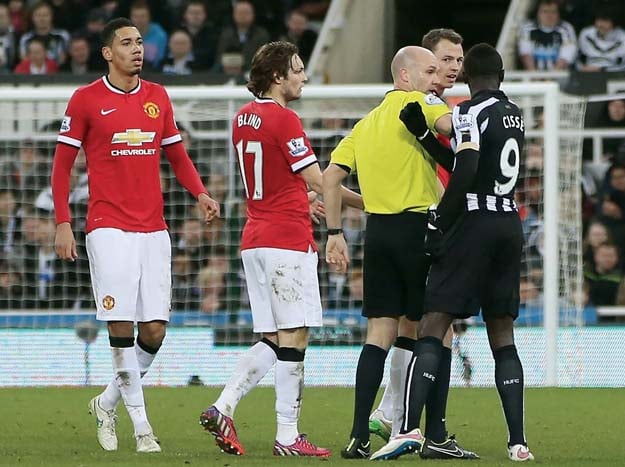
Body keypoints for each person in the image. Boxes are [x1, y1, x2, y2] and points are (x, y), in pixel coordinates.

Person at [51, 17, 220, 453]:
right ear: (107, 52)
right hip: (108, 227)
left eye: (140, 42)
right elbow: (62, 166)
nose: (137, 49)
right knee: (121, 325)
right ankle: (143, 428)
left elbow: (177, 155)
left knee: (155, 331)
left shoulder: (157, 97)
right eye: (126, 43)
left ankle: (106, 403)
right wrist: (63, 221)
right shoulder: (86, 100)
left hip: (154, 229)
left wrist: (200, 193)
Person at [199, 40, 362, 458]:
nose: (303, 76)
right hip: (286, 242)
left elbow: (272, 175)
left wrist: (297, 196)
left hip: (255, 239)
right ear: (277, 76)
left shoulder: (242, 118)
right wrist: (366, 202)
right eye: (297, 68)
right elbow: (318, 178)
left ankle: (223, 406)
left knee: (272, 337)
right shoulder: (285, 119)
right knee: (295, 335)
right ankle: (288, 436)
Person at [382, 43, 534, 462]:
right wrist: (424, 136)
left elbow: (465, 169)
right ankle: (518, 442)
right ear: (502, 76)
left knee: (434, 322)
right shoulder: (516, 114)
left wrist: (438, 223)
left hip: (475, 225)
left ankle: (409, 429)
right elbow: (470, 159)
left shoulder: (468, 111)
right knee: (502, 334)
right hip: (509, 224)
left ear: (467, 75)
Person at [323, 45, 475, 460]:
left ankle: (357, 434)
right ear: (405, 76)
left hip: (379, 233)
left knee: (379, 334)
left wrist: (334, 231)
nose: (436, 78)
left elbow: (328, 178)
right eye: (428, 70)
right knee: (438, 330)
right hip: (418, 230)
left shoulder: (365, 123)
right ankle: (435, 434)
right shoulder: (423, 102)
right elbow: (453, 128)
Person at [368, 29, 468, 452]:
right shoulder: (429, 106)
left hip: (443, 219)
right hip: (429, 221)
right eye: (443, 61)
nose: (452, 68)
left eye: (457, 61)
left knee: (419, 327)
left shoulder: (438, 107)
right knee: (433, 327)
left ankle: (391, 413)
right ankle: (415, 425)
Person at [517, 0, 577, 71]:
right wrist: (534, 75)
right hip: (532, 76)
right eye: (545, 12)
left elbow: (566, 56)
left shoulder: (566, 28)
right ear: (538, 13)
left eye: (553, 12)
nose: (549, 16)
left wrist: (551, 77)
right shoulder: (527, 28)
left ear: (559, 14)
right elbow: (525, 54)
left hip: (559, 76)